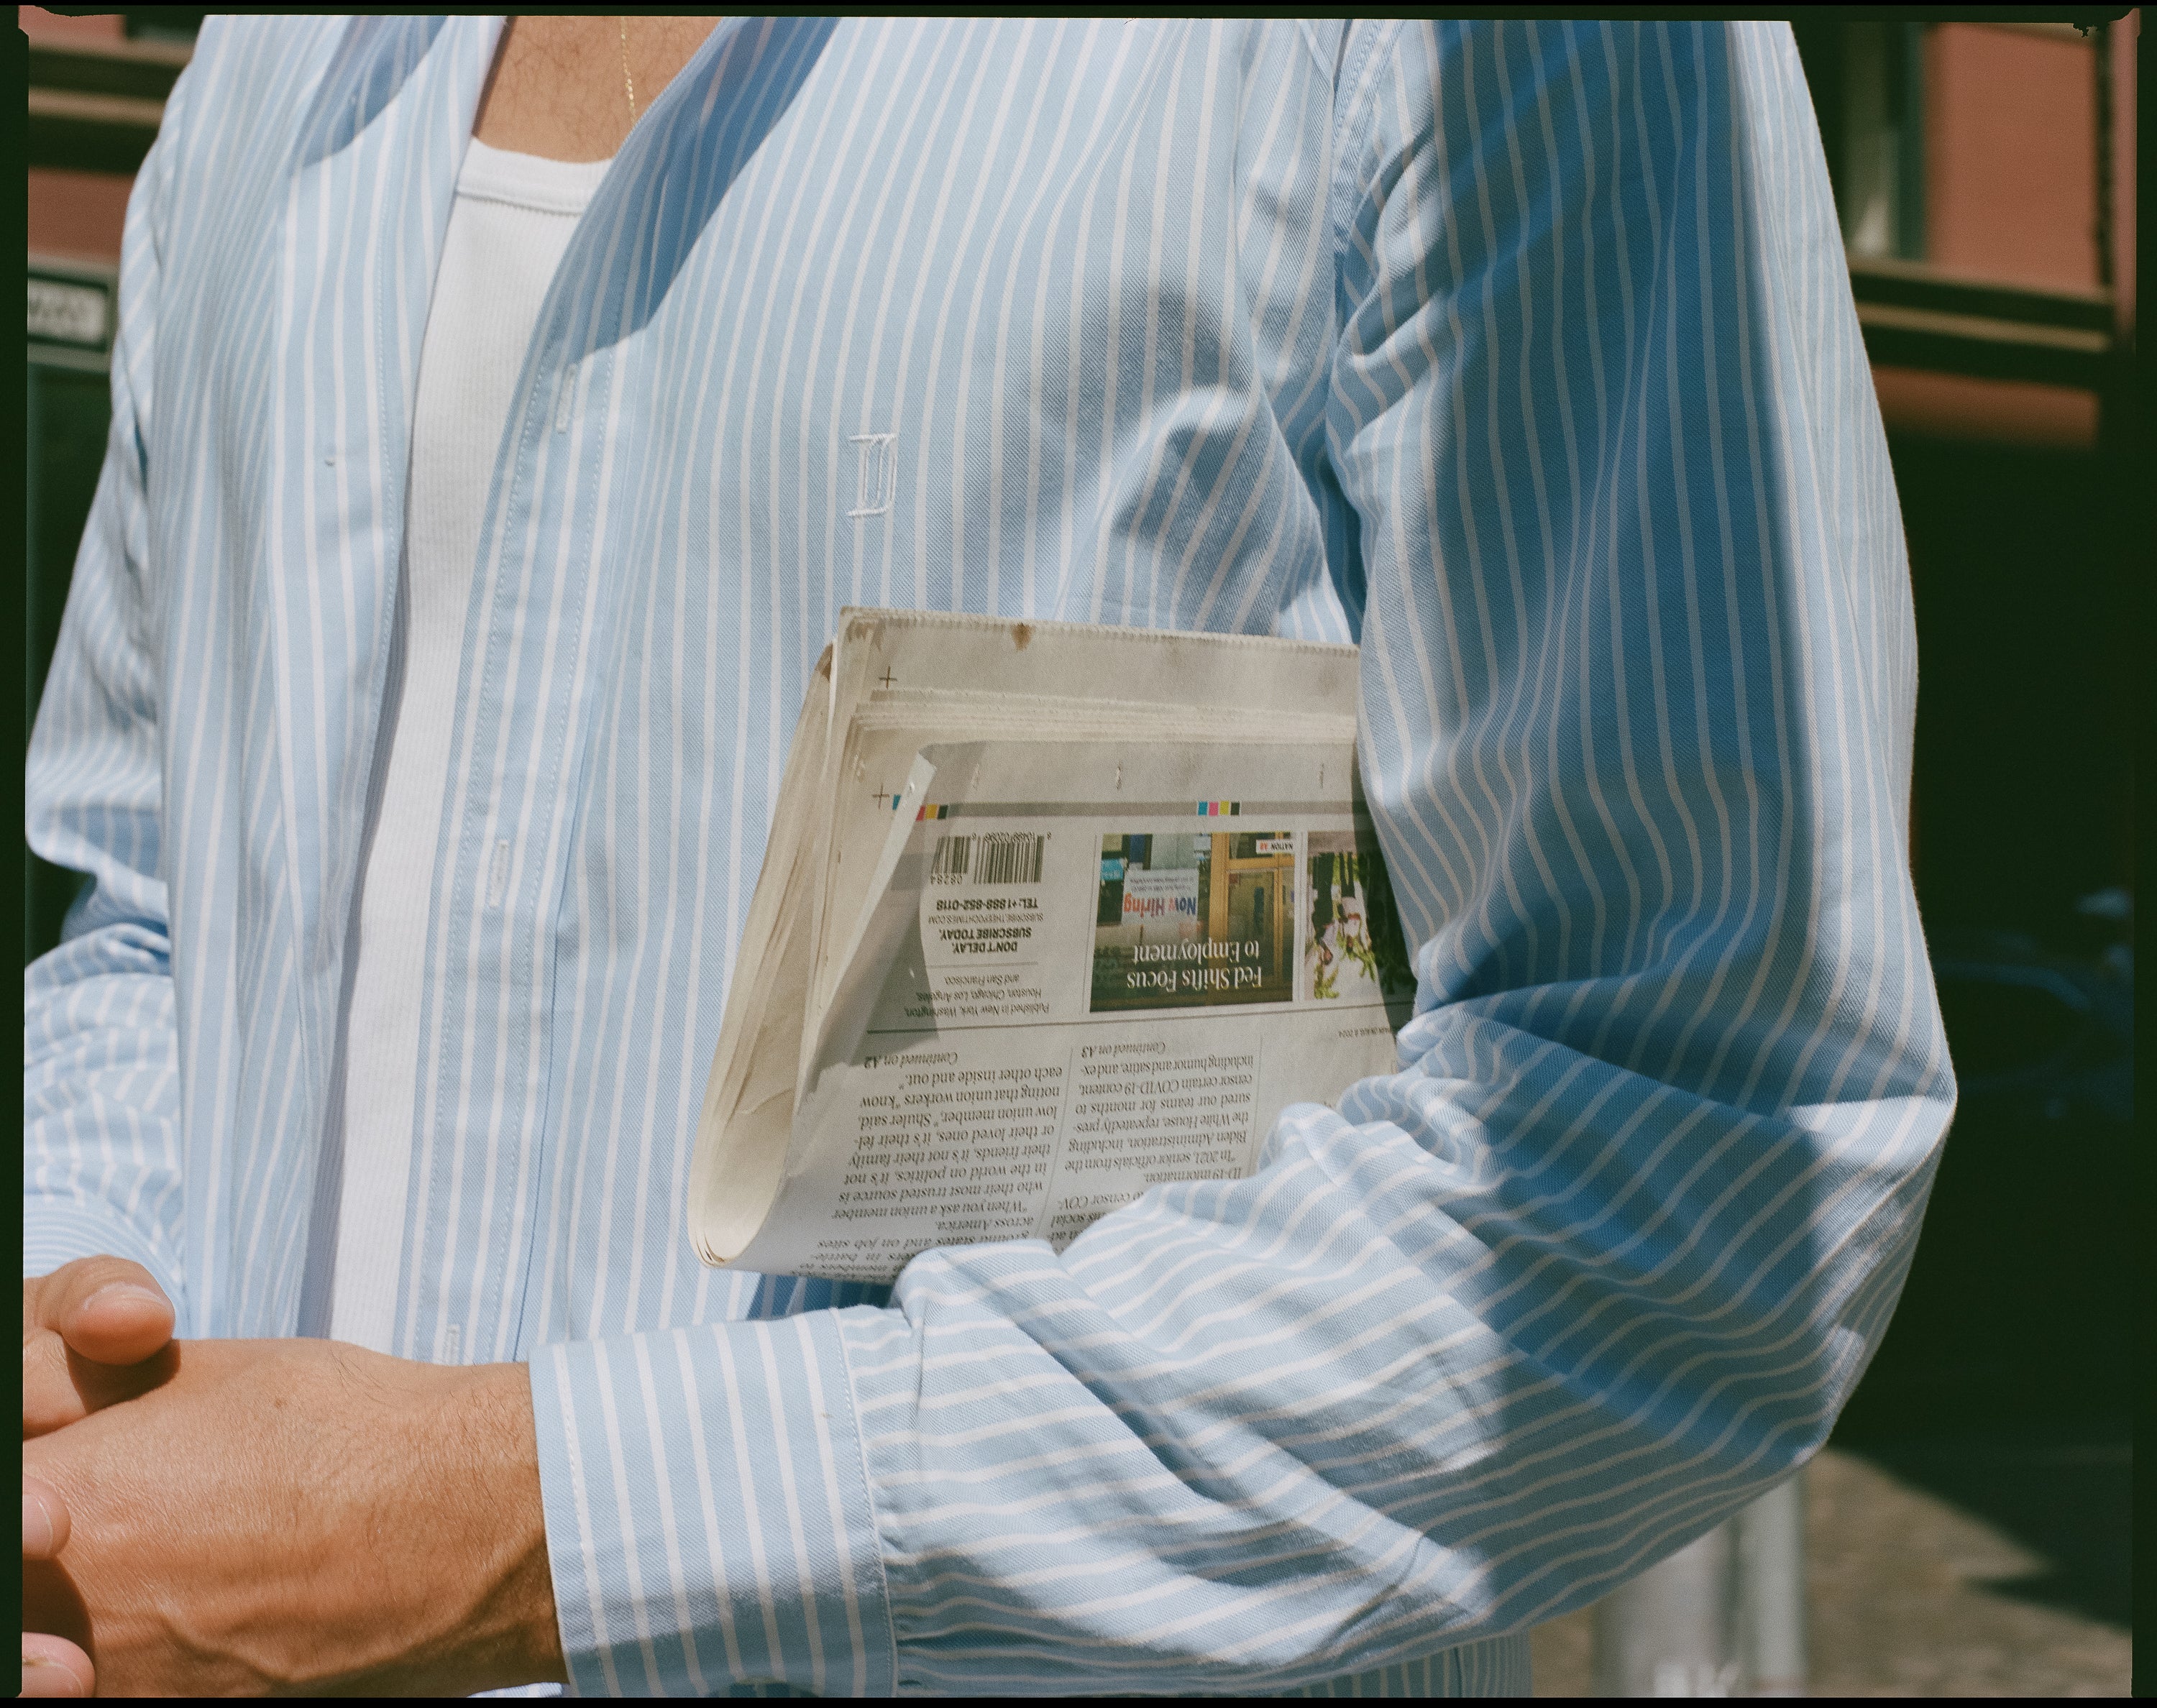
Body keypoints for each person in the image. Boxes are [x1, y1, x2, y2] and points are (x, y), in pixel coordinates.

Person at [22, 16, 1953, 1697]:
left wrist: (530, 1526)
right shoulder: (276, 45)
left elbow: (1703, 1146)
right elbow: (164, 913)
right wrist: (68, 1365)